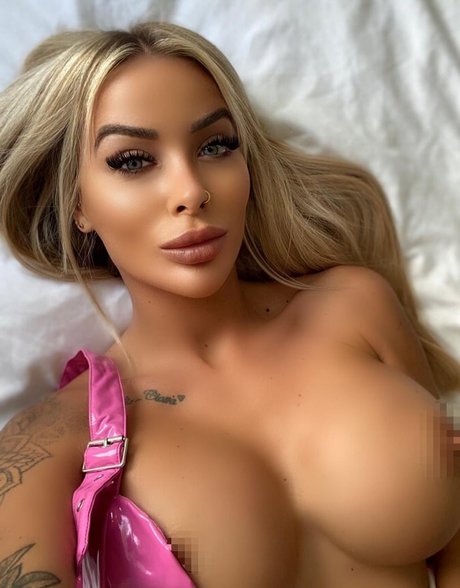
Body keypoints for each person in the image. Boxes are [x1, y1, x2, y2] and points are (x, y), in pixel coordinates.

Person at [0, 20, 458, 588]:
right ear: (77, 204)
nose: (191, 190)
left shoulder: (356, 306)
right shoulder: (52, 439)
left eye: (215, 146)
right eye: (133, 160)